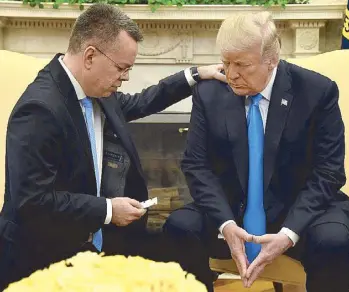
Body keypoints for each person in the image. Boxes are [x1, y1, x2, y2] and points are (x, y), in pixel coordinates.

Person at [0, 3, 226, 290]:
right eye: (122, 68)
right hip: (40, 261)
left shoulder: (96, 90)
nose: (126, 77)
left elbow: (143, 101)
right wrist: (107, 209)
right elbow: (31, 203)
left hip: (88, 250)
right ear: (91, 56)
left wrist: (194, 75)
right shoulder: (39, 110)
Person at [164, 11, 349, 292]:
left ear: (272, 60)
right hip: (233, 210)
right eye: (226, 62)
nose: (231, 74)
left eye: (242, 65)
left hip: (297, 209)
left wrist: (288, 233)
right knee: (180, 226)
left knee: (332, 240)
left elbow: (328, 172)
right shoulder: (209, 93)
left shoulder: (317, 91)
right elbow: (196, 165)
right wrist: (226, 224)